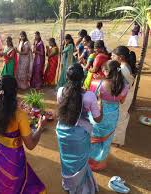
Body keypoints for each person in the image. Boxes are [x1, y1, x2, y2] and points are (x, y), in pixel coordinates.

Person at [0, 75, 47, 194]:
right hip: (13, 160)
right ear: (15, 91)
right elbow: (30, 145)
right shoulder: (19, 115)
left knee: (3, 182)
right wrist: (40, 127)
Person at [56, 64, 101, 193]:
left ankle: (68, 184)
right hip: (80, 134)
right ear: (83, 77)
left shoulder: (60, 91)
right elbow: (97, 119)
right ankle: (80, 188)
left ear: (66, 77)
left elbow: (63, 109)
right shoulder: (89, 96)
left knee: (66, 160)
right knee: (79, 162)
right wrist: (101, 105)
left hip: (62, 131)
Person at [89, 60, 129, 171]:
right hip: (112, 116)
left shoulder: (97, 83)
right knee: (106, 140)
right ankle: (100, 164)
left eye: (103, 69)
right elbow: (122, 102)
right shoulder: (124, 85)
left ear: (107, 71)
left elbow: (91, 99)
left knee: (93, 138)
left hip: (97, 115)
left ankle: (90, 162)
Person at [111, 46, 137, 146]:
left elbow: (120, 86)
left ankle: (117, 141)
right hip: (127, 95)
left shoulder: (122, 69)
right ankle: (117, 139)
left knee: (120, 118)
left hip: (124, 97)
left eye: (113, 55)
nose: (112, 57)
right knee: (122, 116)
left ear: (121, 57)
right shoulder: (126, 66)